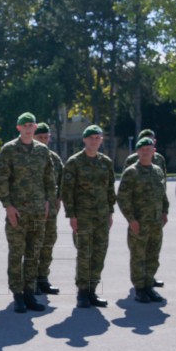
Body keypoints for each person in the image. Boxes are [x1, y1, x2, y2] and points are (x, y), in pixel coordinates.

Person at [0, 112, 55, 313]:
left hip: (38, 211)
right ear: (19, 128)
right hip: (18, 212)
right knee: (17, 253)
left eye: (31, 125)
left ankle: (29, 292)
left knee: (33, 253)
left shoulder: (42, 151)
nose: (29, 128)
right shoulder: (9, 150)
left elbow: (49, 179)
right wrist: (8, 205)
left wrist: (48, 201)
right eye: (25, 125)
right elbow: (1, 179)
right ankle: (18, 294)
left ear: (35, 127)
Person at [61, 125, 116, 308]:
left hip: (101, 216)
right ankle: (82, 293)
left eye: (98, 137)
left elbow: (109, 189)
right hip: (83, 216)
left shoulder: (105, 162)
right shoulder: (74, 162)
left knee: (99, 253)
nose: (94, 141)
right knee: (84, 254)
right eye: (91, 137)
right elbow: (67, 191)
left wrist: (110, 212)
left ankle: (92, 290)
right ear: (84, 140)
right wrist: (72, 216)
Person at [117, 137, 168, 303]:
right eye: (142, 149)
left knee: (153, 255)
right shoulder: (131, 172)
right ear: (137, 152)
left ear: (154, 151)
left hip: (155, 223)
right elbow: (123, 198)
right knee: (138, 256)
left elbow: (163, 194)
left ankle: (149, 286)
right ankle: (139, 288)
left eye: (149, 148)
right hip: (139, 223)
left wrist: (165, 212)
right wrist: (131, 220)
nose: (146, 151)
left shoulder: (158, 171)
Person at [32, 122, 63, 295]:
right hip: (34, 210)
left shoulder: (54, 158)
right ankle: (31, 280)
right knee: (33, 245)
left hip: (51, 212)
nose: (43, 140)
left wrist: (59, 199)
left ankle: (43, 278)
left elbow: (61, 181)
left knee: (48, 244)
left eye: (46, 137)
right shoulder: (30, 157)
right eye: (40, 137)